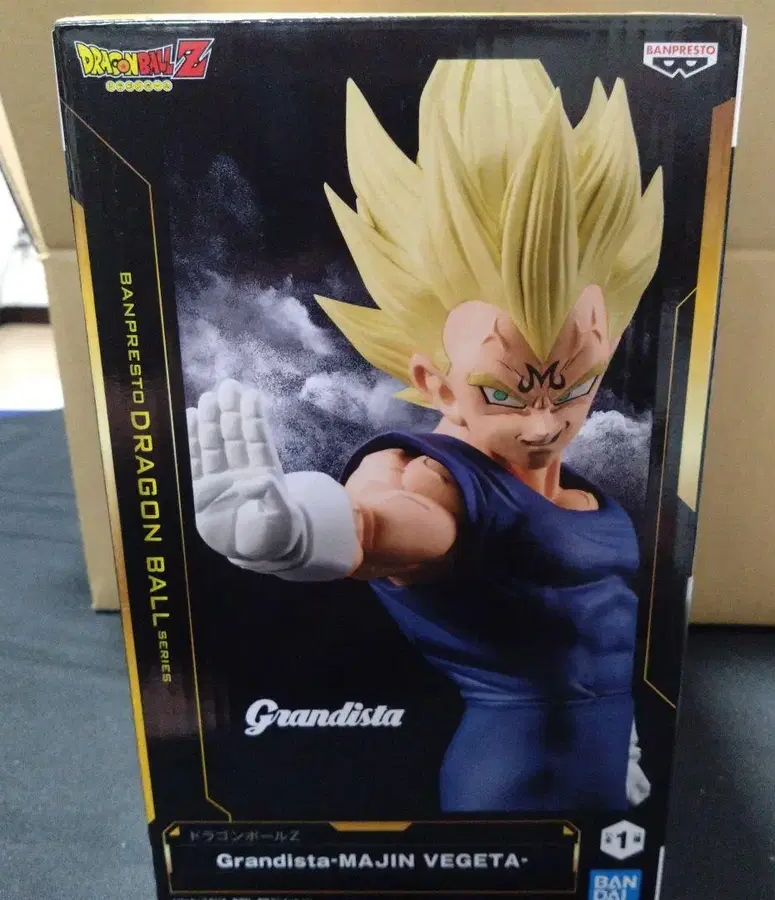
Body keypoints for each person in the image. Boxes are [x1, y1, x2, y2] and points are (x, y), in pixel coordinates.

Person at [187, 59, 662, 812]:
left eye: (575, 385)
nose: (545, 422)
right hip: (515, 784)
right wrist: (299, 532)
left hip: (605, 775)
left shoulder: (574, 489)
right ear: (434, 380)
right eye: (503, 392)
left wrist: (623, 735)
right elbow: (391, 522)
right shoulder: (435, 478)